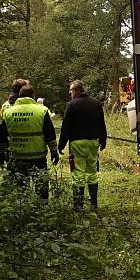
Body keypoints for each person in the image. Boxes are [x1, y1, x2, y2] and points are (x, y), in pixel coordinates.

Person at [0, 84, 58, 199]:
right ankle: (42, 210)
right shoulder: (42, 111)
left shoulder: (8, 112)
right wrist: (54, 152)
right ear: (32, 96)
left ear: (19, 96)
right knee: (41, 186)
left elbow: (2, 137)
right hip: (38, 157)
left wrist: (1, 153)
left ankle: (22, 210)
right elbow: (50, 135)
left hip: (17, 157)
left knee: (20, 188)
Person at [58, 80, 107, 211]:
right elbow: (101, 123)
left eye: (70, 91)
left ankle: (78, 205)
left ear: (75, 90)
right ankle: (94, 204)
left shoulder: (72, 105)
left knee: (77, 172)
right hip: (93, 143)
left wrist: (61, 145)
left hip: (77, 143)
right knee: (92, 171)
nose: (70, 93)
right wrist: (103, 140)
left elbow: (66, 127)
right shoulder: (96, 103)